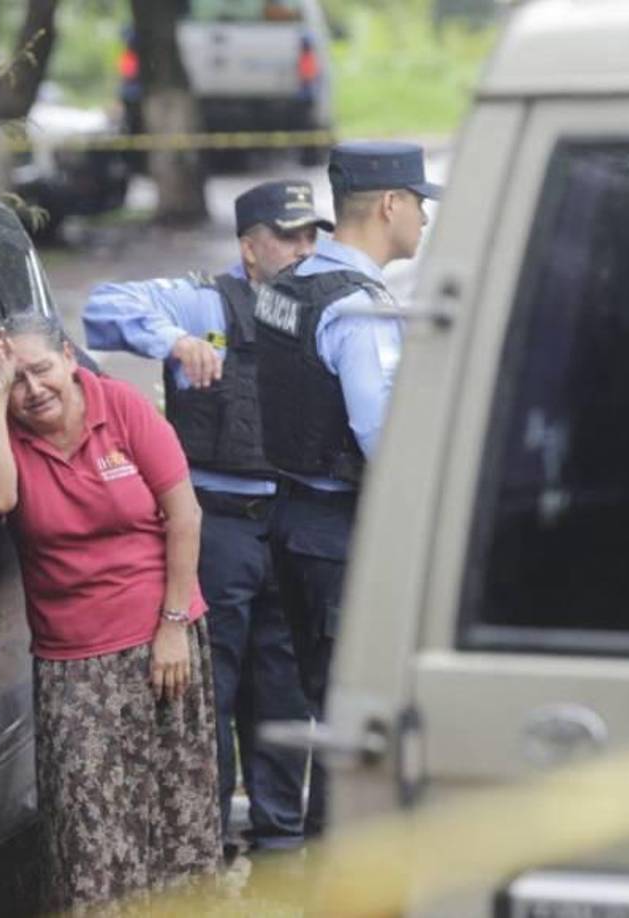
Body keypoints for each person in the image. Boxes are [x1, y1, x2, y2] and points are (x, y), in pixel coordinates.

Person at [82, 180, 333, 854]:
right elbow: (103, 309)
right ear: (249, 248)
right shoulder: (204, 302)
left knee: (283, 687)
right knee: (208, 686)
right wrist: (173, 340)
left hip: (290, 517)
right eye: (288, 237)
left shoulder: (322, 305)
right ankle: (204, 837)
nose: (303, 250)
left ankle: (280, 837)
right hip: (215, 524)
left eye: (311, 236)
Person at [0, 312, 221, 913]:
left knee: (176, 821)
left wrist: (173, 626)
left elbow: (184, 516)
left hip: (162, 641)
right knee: (90, 836)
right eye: (16, 379)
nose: (33, 389)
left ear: (69, 359)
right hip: (73, 662)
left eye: (41, 370)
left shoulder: (121, 406)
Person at [255, 141, 441, 836]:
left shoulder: (291, 283)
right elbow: (379, 434)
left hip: (295, 521)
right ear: (390, 204)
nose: (424, 219)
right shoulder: (355, 309)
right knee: (355, 718)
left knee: (326, 706)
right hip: (341, 534)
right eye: (419, 203)